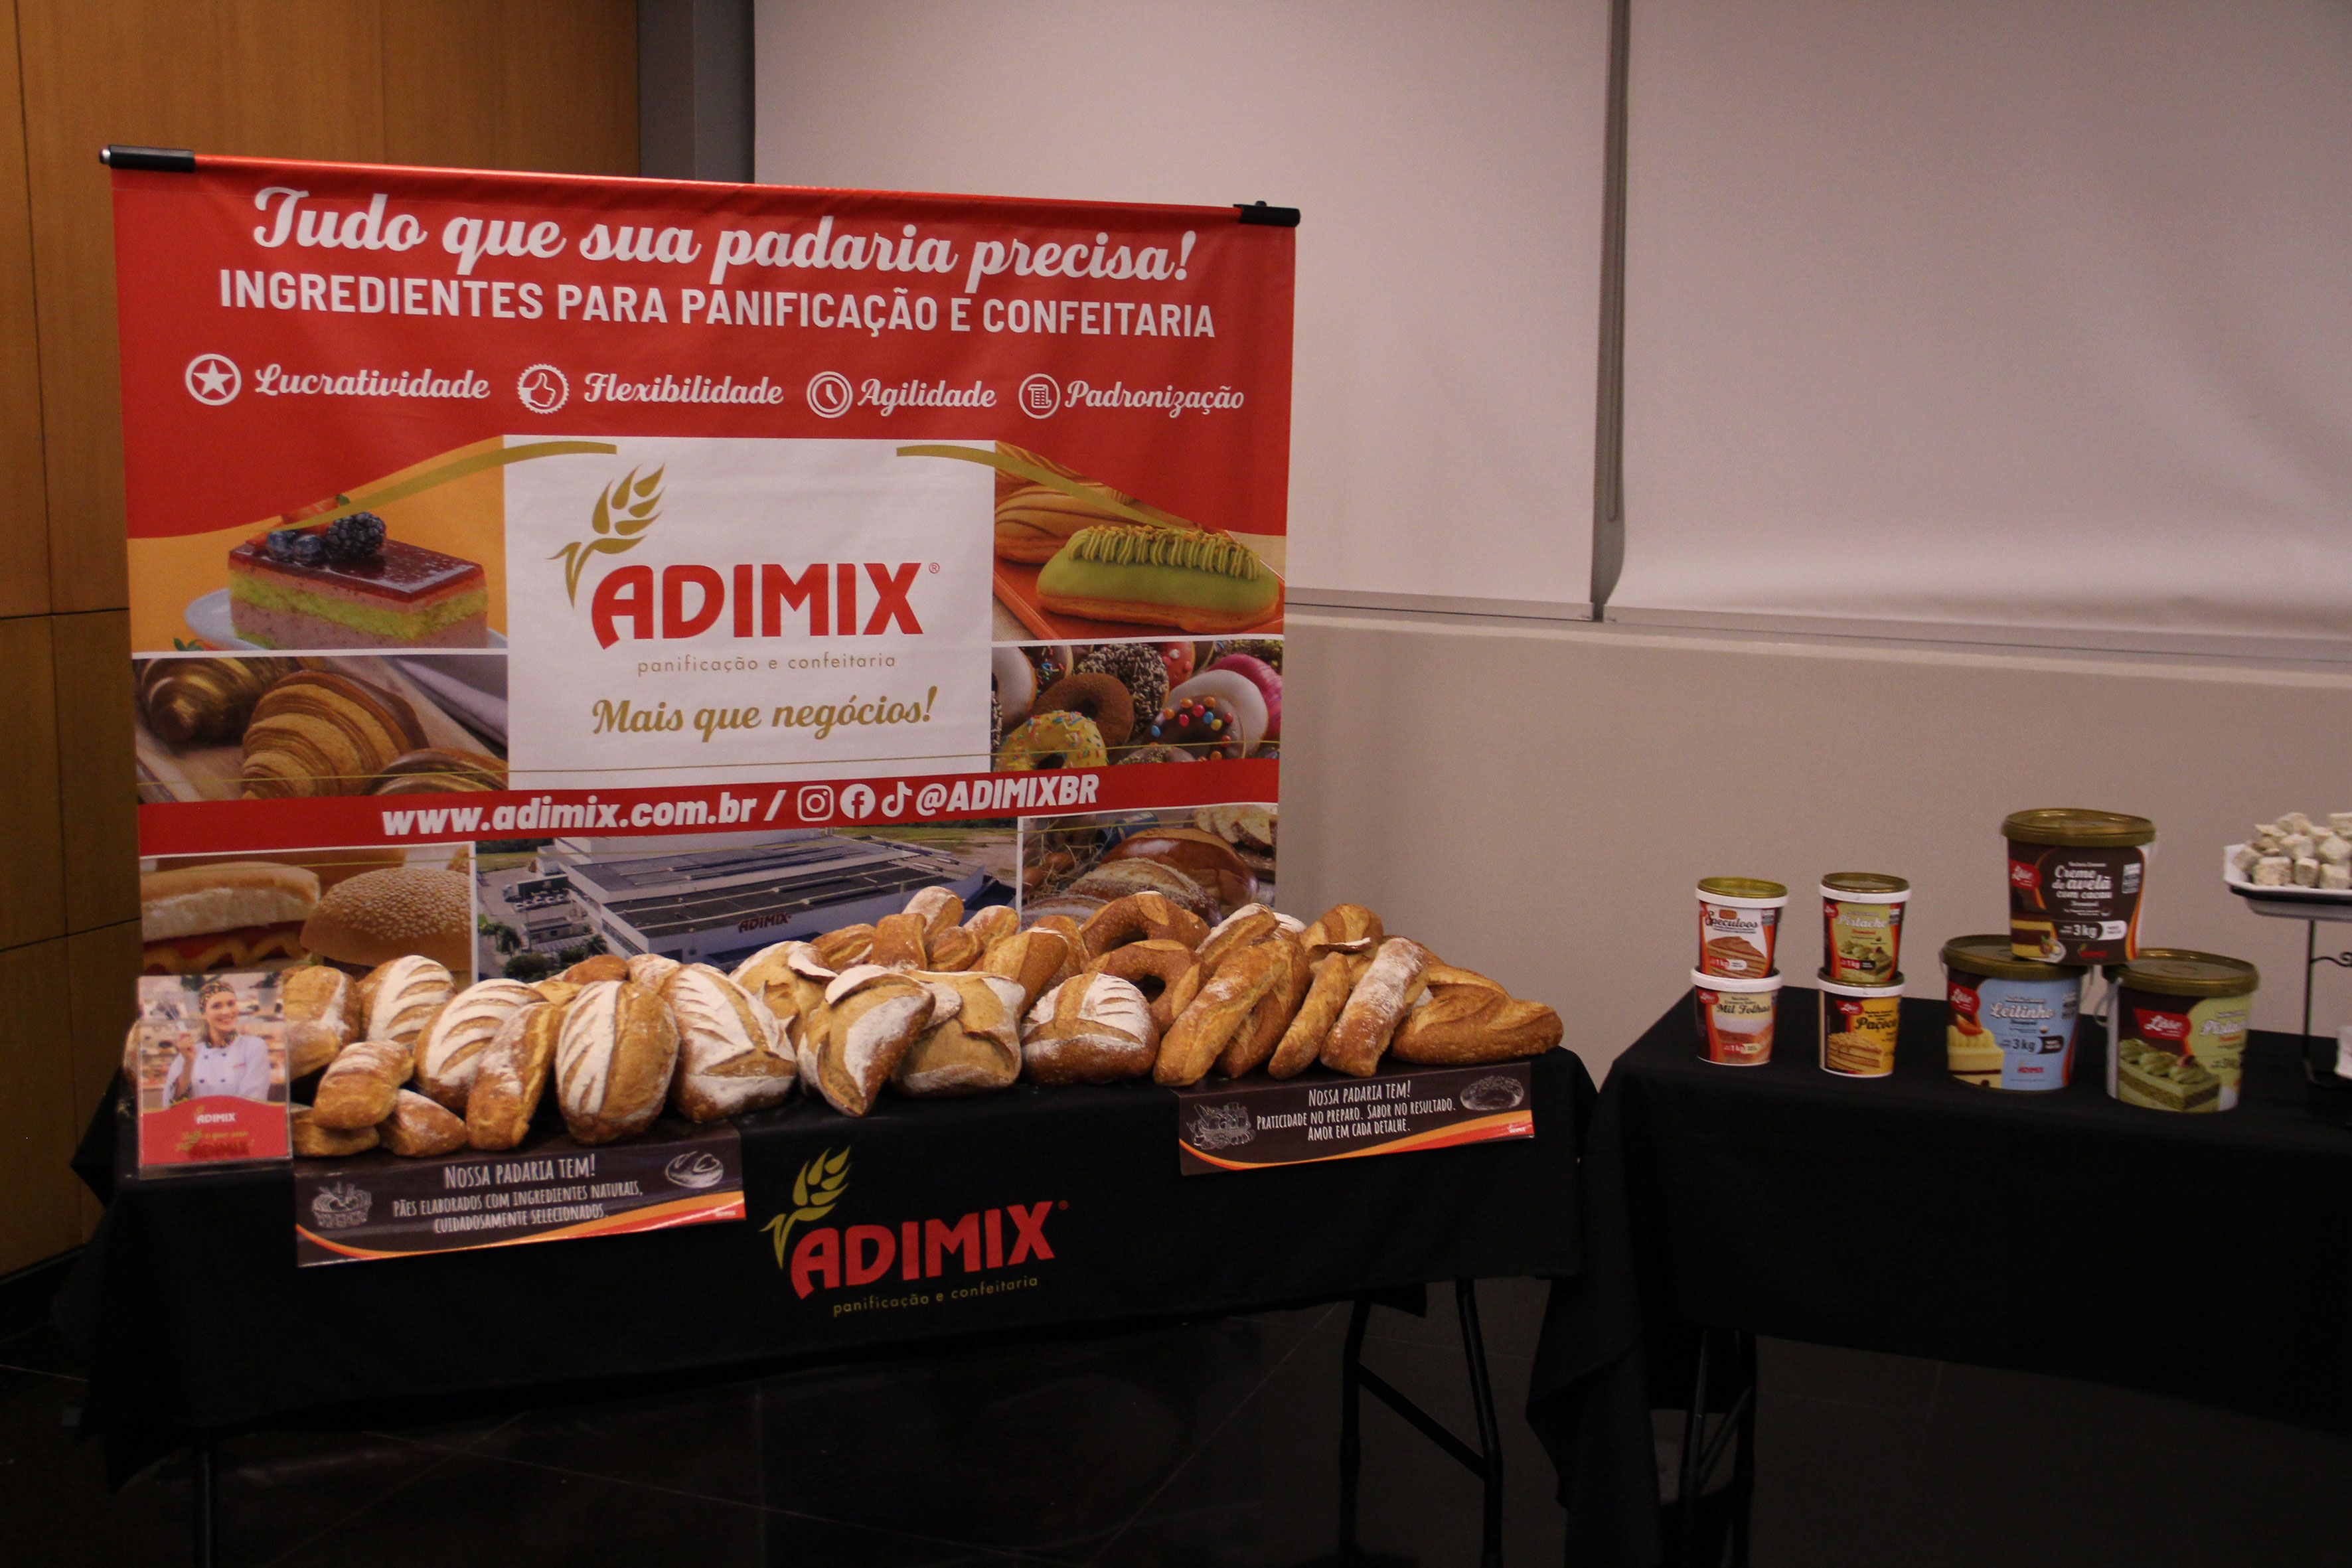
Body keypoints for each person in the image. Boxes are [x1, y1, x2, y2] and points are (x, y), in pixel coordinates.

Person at [161, 979, 274, 1104]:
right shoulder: (189, 1053)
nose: (226, 1012)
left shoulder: (254, 1046)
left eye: (231, 1004)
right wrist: (188, 1062)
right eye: (217, 1006)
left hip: (241, 1117)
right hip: (200, 1117)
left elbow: (253, 1101)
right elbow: (173, 1104)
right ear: (204, 1014)